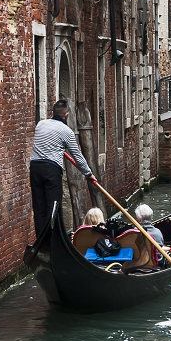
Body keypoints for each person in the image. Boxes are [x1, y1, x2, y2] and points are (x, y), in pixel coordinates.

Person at [29, 100, 96, 242]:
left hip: (35, 168)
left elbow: (46, 142)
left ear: (52, 113)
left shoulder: (40, 124)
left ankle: (41, 241)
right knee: (53, 207)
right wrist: (89, 174)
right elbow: (77, 156)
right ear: (66, 115)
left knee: (39, 206)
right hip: (51, 169)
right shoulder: (67, 132)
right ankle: (53, 241)